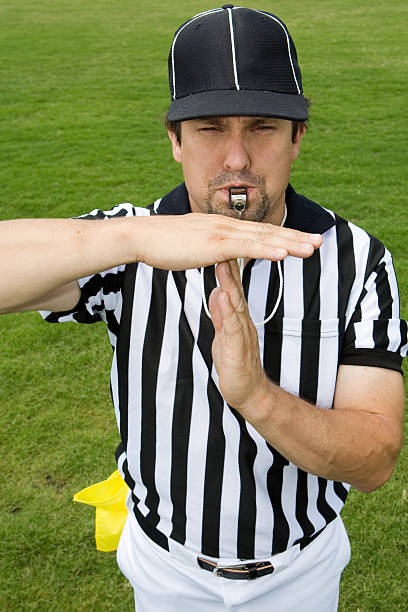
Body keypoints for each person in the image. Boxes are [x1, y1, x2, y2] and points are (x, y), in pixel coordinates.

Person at [1, 5, 407, 611]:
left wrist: (258, 398)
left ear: (299, 136)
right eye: (211, 128)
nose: (237, 160)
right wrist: (134, 238)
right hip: (167, 569)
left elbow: (374, 458)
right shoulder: (128, 242)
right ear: (175, 139)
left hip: (300, 571)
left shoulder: (356, 260)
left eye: (263, 126)